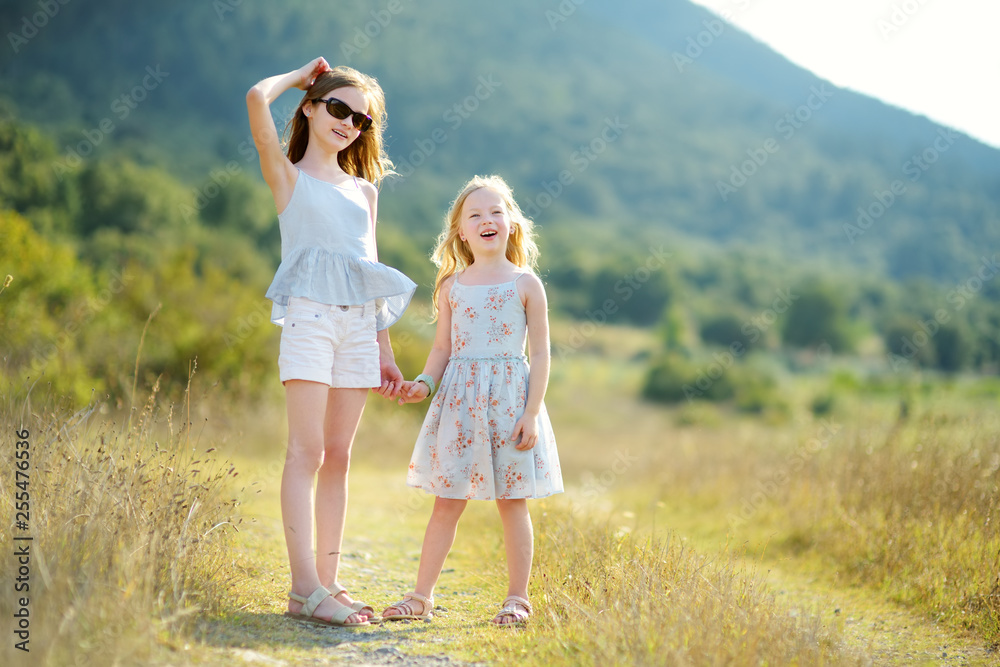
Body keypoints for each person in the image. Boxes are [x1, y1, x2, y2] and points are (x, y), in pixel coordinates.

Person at [246, 57, 416, 628]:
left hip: (357, 330)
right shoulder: (288, 176)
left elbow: (368, 274)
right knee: (307, 452)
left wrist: (385, 352)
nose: (348, 123)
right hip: (311, 320)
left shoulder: (365, 193)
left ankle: (327, 582)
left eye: (361, 119)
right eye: (338, 108)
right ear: (311, 109)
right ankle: (303, 587)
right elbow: (253, 96)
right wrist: (297, 75)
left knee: (340, 457)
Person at [382, 175, 563, 627]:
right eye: (475, 214)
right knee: (446, 500)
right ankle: (421, 596)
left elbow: (540, 354)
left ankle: (517, 598)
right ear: (460, 231)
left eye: (496, 212)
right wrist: (423, 383)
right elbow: (442, 348)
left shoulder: (526, 284)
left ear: (513, 224)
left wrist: (532, 412)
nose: (487, 220)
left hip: (510, 403)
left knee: (512, 501)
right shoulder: (452, 287)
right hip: (460, 404)